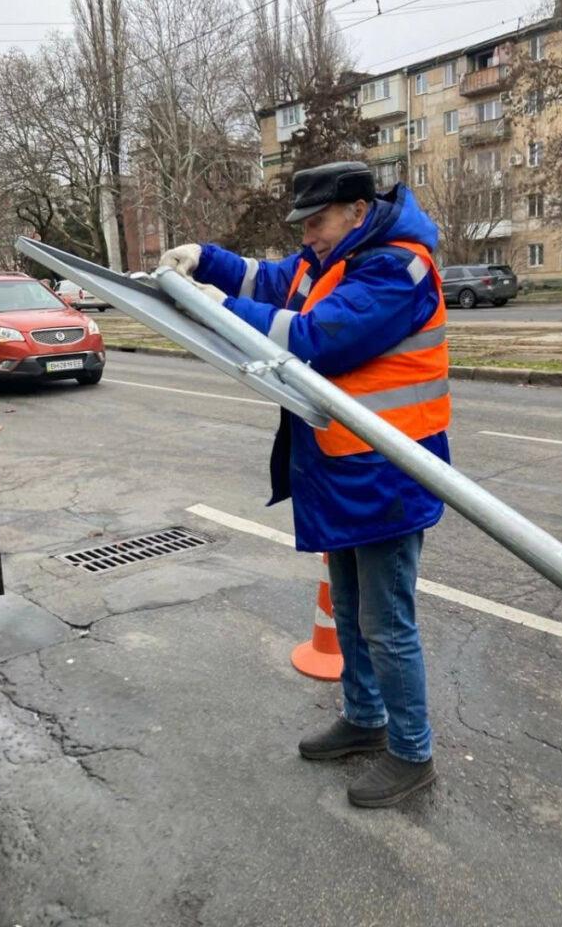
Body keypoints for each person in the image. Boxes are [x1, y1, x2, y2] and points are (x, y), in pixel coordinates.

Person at [159, 161, 451, 808]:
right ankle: (365, 719)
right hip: (346, 472)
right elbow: (271, 278)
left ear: (354, 209)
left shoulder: (395, 269)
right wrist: (205, 261)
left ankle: (411, 751)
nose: (307, 236)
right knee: (349, 610)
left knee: (386, 621)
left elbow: (320, 339)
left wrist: (220, 309)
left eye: (315, 222)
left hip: (389, 475)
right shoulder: (335, 257)